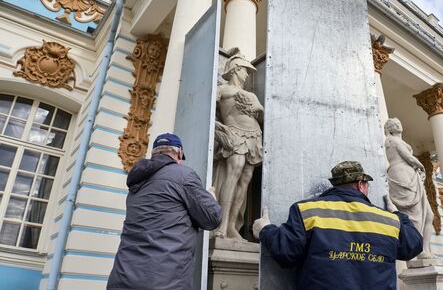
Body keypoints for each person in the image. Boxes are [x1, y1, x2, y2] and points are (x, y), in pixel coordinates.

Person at [253, 161, 423, 290]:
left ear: (335, 184)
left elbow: (286, 252)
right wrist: (397, 214)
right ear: (361, 185)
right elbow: (414, 245)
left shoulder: (308, 210)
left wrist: (265, 229)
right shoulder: (389, 221)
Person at [107, 133, 222, 290]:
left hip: (122, 278)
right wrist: (211, 198)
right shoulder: (183, 175)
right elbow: (213, 218)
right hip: (165, 282)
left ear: (154, 153)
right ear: (179, 154)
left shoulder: (137, 183)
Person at [214, 47, 263, 239]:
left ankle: (233, 225)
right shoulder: (222, 89)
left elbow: (262, 117)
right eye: (245, 70)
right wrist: (221, 131)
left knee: (245, 179)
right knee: (234, 172)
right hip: (234, 134)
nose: (247, 74)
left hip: (254, 136)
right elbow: (208, 110)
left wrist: (260, 108)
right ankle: (222, 224)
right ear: (235, 69)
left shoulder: (252, 95)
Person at [384, 118, 434, 259]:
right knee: (414, 216)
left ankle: (424, 249)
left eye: (399, 122)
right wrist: (421, 166)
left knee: (429, 215)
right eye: (393, 124)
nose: (398, 124)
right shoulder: (393, 140)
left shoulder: (397, 140)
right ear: (389, 129)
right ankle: (415, 252)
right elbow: (408, 157)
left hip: (410, 175)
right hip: (402, 175)